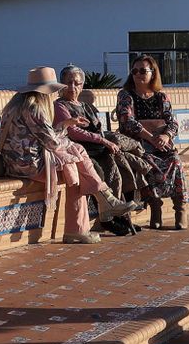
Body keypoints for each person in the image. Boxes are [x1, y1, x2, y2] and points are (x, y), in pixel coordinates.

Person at [0, 67, 134, 244]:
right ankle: (96, 209)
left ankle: (99, 206)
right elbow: (52, 143)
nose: (54, 94)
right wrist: (70, 143)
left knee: (74, 167)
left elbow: (45, 136)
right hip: (28, 165)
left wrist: (66, 124)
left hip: (14, 162)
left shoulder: (16, 105)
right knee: (76, 157)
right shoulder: (34, 109)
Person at [53, 65, 143, 234]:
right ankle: (107, 219)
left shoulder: (85, 106)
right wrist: (103, 141)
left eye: (77, 83)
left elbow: (98, 128)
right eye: (68, 83)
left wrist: (105, 142)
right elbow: (74, 132)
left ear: (82, 86)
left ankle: (119, 217)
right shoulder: (60, 106)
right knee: (98, 173)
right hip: (78, 150)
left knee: (117, 173)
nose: (73, 87)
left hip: (97, 148)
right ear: (61, 84)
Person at [114, 56, 189, 229]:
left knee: (176, 163)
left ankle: (180, 209)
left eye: (143, 70)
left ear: (153, 73)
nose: (138, 74)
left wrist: (166, 136)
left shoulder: (161, 96)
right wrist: (151, 138)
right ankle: (156, 207)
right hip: (139, 146)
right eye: (134, 71)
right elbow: (127, 121)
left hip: (162, 145)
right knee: (148, 164)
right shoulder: (126, 95)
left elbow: (172, 122)